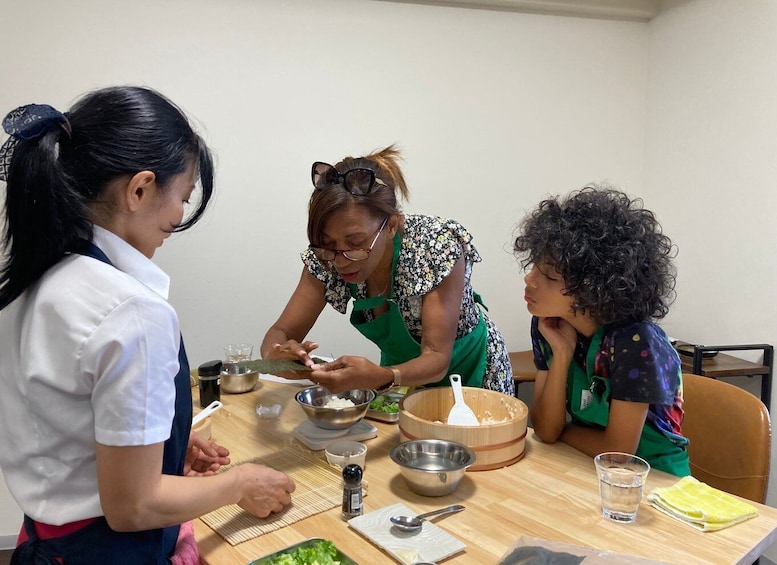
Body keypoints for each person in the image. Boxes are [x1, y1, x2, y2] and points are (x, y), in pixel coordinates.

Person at [0, 86, 295, 564]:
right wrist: (239, 483)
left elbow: (63, 426)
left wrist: (165, 446)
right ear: (138, 190)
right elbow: (133, 506)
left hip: (43, 543)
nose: (178, 217)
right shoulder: (131, 311)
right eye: (182, 196)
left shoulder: (35, 278)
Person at [261, 145, 514, 395]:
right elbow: (281, 332)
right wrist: (275, 354)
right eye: (328, 245)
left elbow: (437, 357)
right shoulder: (325, 258)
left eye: (356, 244)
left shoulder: (435, 246)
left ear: (391, 226)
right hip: (400, 377)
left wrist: (385, 376)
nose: (341, 260)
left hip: (473, 372)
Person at [513, 186, 690, 476]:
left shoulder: (636, 341)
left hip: (654, 480)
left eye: (549, 275)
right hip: (584, 465)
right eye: (534, 265)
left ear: (592, 288)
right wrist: (561, 353)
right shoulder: (549, 324)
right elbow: (545, 429)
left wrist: (564, 432)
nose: (529, 278)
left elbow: (618, 454)